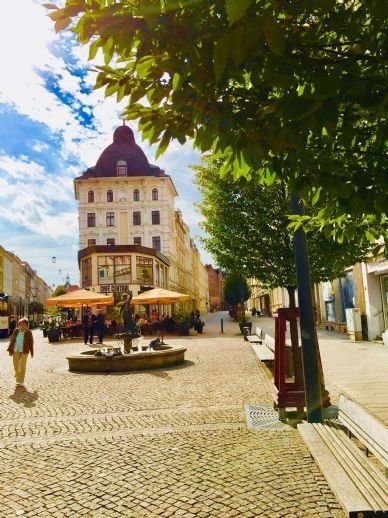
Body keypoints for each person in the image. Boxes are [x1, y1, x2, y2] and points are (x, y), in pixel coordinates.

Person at [7, 317, 34, 387]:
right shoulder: (16, 331)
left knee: (22, 366)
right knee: (16, 365)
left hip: (24, 351)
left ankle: (21, 380)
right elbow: (12, 340)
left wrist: (32, 352)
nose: (22, 325)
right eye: (20, 324)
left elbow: (31, 342)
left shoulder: (29, 332)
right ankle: (18, 376)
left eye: (24, 324)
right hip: (16, 350)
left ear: (26, 325)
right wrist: (10, 350)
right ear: (19, 325)